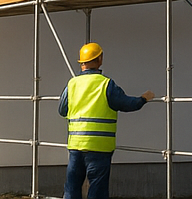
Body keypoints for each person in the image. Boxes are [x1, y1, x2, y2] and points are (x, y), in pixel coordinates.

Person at [59, 42, 153, 199]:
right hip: (99, 147)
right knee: (97, 189)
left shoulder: (72, 84)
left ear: (81, 63)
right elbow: (127, 104)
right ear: (100, 59)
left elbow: (62, 110)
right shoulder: (106, 84)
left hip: (75, 145)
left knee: (72, 188)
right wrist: (143, 99)